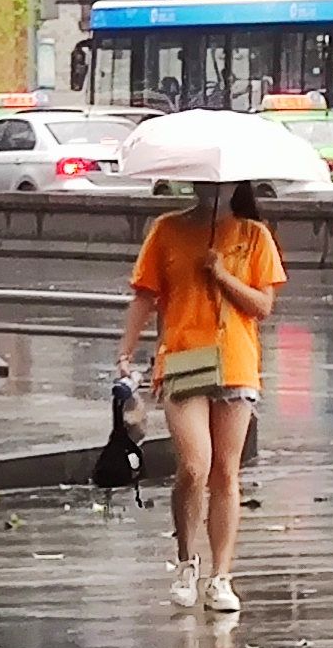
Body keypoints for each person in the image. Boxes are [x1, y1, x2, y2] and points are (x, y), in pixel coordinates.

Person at [116, 180, 283, 617]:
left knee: (226, 472)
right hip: (183, 359)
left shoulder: (253, 235)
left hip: (236, 362)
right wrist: (126, 351)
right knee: (194, 466)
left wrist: (222, 274)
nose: (212, 189)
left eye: (221, 183)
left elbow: (262, 306)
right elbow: (145, 296)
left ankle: (221, 575)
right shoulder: (167, 229)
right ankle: (187, 561)